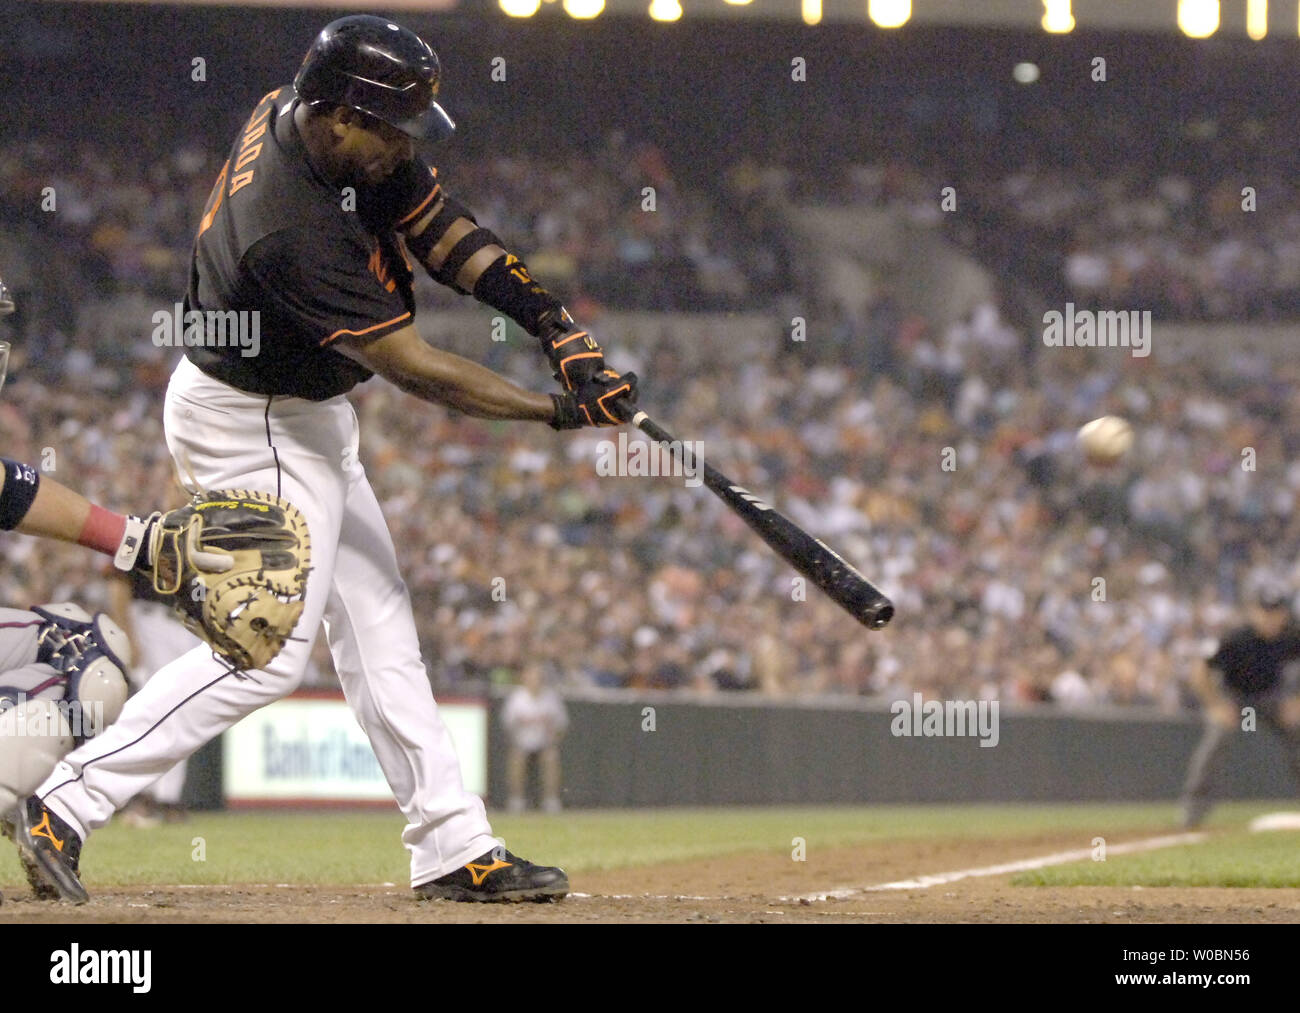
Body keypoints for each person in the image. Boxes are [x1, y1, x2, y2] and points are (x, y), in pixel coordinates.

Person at [14, 15, 637, 905]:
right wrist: (557, 410)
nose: (403, 147)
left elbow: (442, 228)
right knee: (263, 646)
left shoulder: (322, 128)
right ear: (339, 115)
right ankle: (63, 804)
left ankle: (453, 846)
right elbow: (420, 371)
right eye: (389, 127)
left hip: (301, 410)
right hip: (251, 419)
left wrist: (556, 327)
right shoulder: (287, 228)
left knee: (382, 627)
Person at [1181, 583, 1300, 828]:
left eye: (1276, 612)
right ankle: (1193, 813)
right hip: (1235, 698)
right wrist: (1216, 705)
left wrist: (1296, 699)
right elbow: (1199, 670)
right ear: (1254, 612)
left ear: (1284, 614)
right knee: (1217, 738)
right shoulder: (1236, 638)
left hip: (1271, 698)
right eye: (1265, 611)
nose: (1271, 618)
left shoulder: (1291, 635)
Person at [501, 664, 569, 813]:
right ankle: (516, 799)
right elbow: (507, 723)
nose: (535, 680)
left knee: (551, 757)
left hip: (544, 744)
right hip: (522, 743)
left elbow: (561, 725)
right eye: (532, 676)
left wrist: (552, 733)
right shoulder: (517, 697)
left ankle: (551, 799)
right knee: (517, 758)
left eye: (538, 677)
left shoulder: (551, 698)